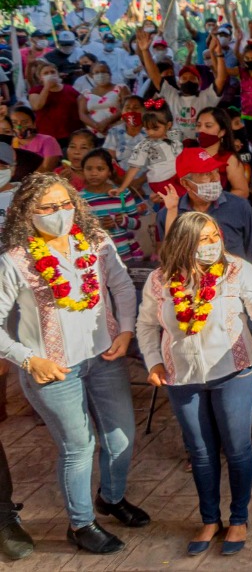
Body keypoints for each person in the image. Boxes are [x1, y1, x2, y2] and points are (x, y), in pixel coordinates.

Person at [0, 174, 149, 554]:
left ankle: (111, 498)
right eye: (47, 207)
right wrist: (28, 359)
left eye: (65, 203)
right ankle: (81, 525)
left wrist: (126, 330)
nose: (59, 213)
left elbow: (120, 285)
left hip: (104, 356)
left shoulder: (95, 242)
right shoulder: (16, 259)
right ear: (26, 213)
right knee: (78, 446)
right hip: (53, 369)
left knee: (121, 436)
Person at [138, 211, 252, 556]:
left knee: (238, 448)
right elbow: (146, 325)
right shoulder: (158, 280)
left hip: (235, 371)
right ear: (183, 243)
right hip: (181, 377)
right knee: (200, 452)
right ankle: (210, 519)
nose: (212, 245)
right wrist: (152, 360)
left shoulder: (238, 270)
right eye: (202, 239)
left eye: (214, 237)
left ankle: (238, 519)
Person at [80, 149, 146, 262]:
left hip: (125, 257)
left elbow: (137, 224)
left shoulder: (122, 194)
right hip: (96, 259)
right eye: (89, 169)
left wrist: (123, 220)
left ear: (110, 171)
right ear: (83, 171)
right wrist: (99, 226)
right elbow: (78, 229)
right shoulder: (79, 199)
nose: (94, 173)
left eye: (100, 169)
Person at [194, 108, 251, 200]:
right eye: (198, 125)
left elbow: (243, 192)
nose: (201, 130)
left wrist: (212, 200)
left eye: (208, 126)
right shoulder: (189, 153)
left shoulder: (229, 159)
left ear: (222, 132)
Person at [30, 59, 81, 146]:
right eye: (46, 73)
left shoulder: (69, 89)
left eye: (52, 72)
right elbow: (37, 106)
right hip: (48, 136)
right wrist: (47, 87)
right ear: (40, 78)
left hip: (70, 134)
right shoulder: (36, 91)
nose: (50, 75)